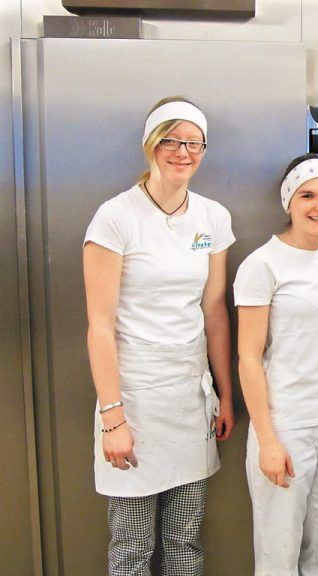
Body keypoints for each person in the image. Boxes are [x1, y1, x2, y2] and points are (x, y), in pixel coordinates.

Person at [83, 97, 235, 575]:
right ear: (150, 145)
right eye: (170, 140)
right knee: (132, 546)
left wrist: (226, 396)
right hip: (134, 401)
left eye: (193, 143)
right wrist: (113, 419)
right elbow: (100, 325)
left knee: (185, 540)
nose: (182, 152)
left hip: (191, 401)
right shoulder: (115, 218)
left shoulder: (213, 218)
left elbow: (214, 311)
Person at [234, 154, 318, 575]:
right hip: (285, 423)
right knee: (278, 553)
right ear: (289, 202)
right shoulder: (262, 265)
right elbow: (248, 357)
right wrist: (268, 441)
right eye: (308, 196)